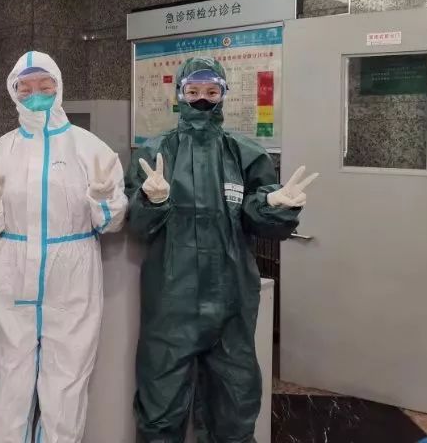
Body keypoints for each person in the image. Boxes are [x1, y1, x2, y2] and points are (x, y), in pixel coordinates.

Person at [126, 57, 318, 443]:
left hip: (231, 300)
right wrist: (151, 202)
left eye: (212, 92)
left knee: (235, 405)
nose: (202, 99)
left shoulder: (245, 153)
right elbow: (138, 226)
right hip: (171, 302)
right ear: (179, 94)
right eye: (193, 91)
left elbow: (260, 221)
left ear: (224, 95)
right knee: (160, 407)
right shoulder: (156, 152)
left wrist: (275, 207)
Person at [0, 50, 128, 443]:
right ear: (13, 91)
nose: (35, 93)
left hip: (72, 275)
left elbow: (110, 223)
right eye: (25, 87)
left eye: (45, 85)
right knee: (8, 381)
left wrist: (104, 200)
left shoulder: (91, 149)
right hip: (12, 271)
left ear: (59, 87)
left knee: (66, 385)